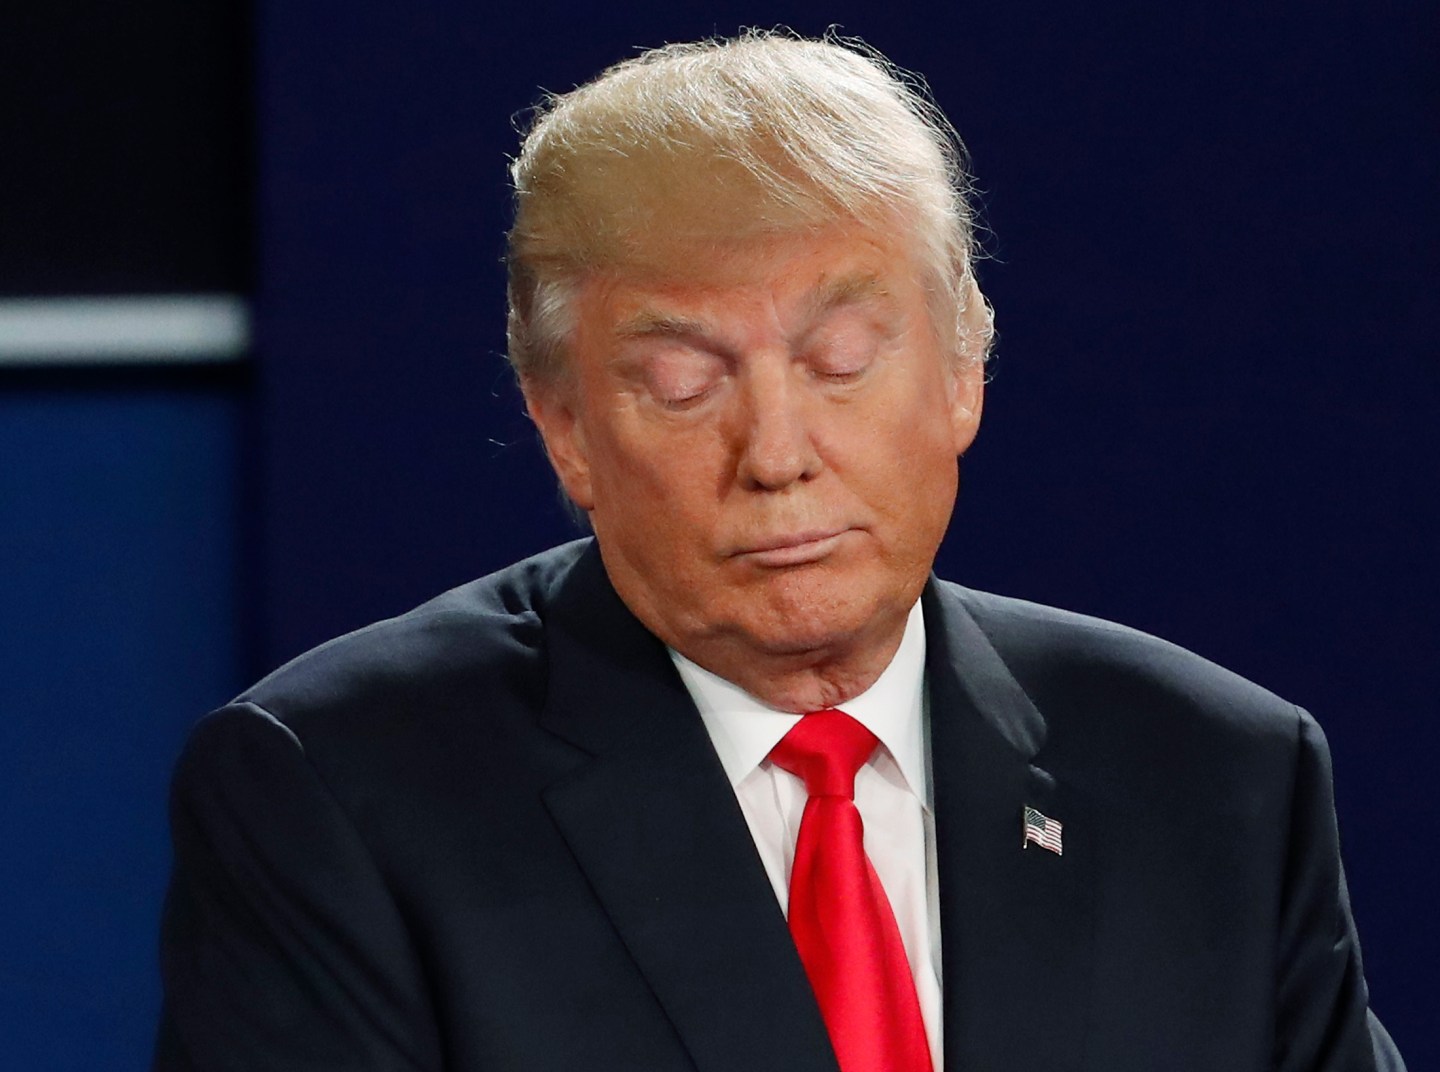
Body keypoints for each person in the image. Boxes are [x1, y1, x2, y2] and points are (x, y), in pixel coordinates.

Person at [154, 31, 1404, 1072]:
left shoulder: (1216, 774)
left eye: (840, 363)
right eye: (684, 382)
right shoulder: (338, 796)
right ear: (564, 427)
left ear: (966, 367)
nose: (778, 452)